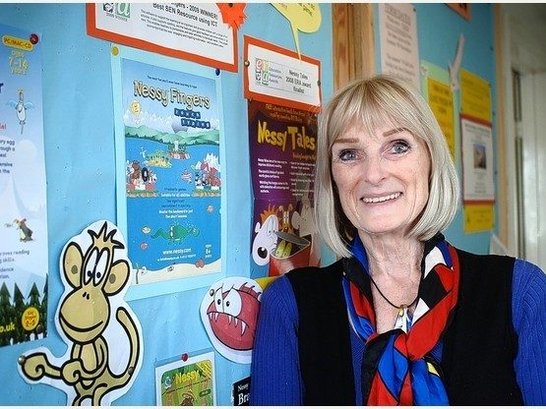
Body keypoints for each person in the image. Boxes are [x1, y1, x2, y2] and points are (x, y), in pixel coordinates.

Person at [250, 74, 546, 405]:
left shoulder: (520, 293)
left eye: (398, 146)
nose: (373, 174)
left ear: (430, 160)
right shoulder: (290, 306)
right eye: (349, 153)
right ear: (332, 178)